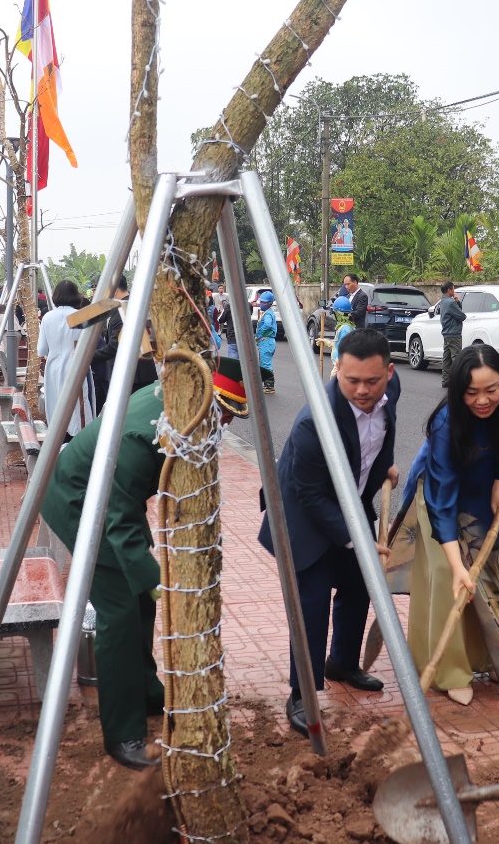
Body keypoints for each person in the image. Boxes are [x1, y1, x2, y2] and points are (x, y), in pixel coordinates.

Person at [41, 357, 249, 769]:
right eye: (221, 413)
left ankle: (147, 692)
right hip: (80, 503)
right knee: (119, 610)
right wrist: (157, 580)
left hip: (111, 500)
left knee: (143, 600)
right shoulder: (147, 437)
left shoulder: (174, 406)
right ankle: (123, 732)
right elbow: (116, 519)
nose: (223, 424)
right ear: (202, 402)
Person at [257, 330, 400, 737]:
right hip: (306, 517)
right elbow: (311, 496)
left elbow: (382, 435)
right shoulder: (312, 425)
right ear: (337, 369)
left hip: (349, 504)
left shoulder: (389, 392)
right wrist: (358, 539)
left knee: (359, 586)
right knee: (313, 602)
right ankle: (302, 693)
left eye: (371, 381)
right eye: (351, 380)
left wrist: (384, 466)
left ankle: (341, 662)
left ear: (388, 373)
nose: (361, 390)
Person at [386, 344, 499, 705]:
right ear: (457, 391)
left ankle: (486, 657)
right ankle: (448, 670)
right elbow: (442, 501)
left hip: (483, 489)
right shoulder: (447, 423)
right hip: (439, 495)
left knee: (485, 576)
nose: (483, 400)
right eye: (472, 393)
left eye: (491, 390)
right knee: (446, 577)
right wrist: (456, 566)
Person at [37, 279, 95, 440]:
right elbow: (90, 345)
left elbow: (41, 349)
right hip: (76, 366)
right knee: (79, 410)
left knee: (57, 407)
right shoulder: (81, 316)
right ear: (76, 295)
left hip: (53, 368)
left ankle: (58, 445)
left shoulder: (47, 317)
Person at [91, 273, 159, 411]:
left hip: (133, 375)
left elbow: (115, 346)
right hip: (138, 372)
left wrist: (87, 357)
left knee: (133, 414)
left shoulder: (123, 310)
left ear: (115, 291)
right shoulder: (131, 304)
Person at [438, 281, 466, 389]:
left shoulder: (443, 301)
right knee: (457, 358)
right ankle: (457, 382)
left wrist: (457, 302)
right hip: (454, 333)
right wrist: (457, 302)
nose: (454, 291)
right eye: (453, 289)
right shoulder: (450, 302)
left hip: (446, 333)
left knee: (447, 359)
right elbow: (462, 316)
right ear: (449, 290)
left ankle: (445, 380)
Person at [255, 290, 278, 394]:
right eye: (261, 302)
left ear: (269, 303)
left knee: (266, 365)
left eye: (264, 302)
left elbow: (268, 325)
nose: (261, 304)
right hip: (266, 342)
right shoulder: (268, 312)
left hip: (266, 341)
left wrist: (262, 331)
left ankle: (269, 387)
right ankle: (266, 385)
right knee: (264, 364)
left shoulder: (268, 314)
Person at [328, 296, 355, 377]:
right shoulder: (348, 326)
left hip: (341, 365)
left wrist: (337, 371)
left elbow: (344, 349)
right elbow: (339, 344)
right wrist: (328, 343)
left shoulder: (344, 329)